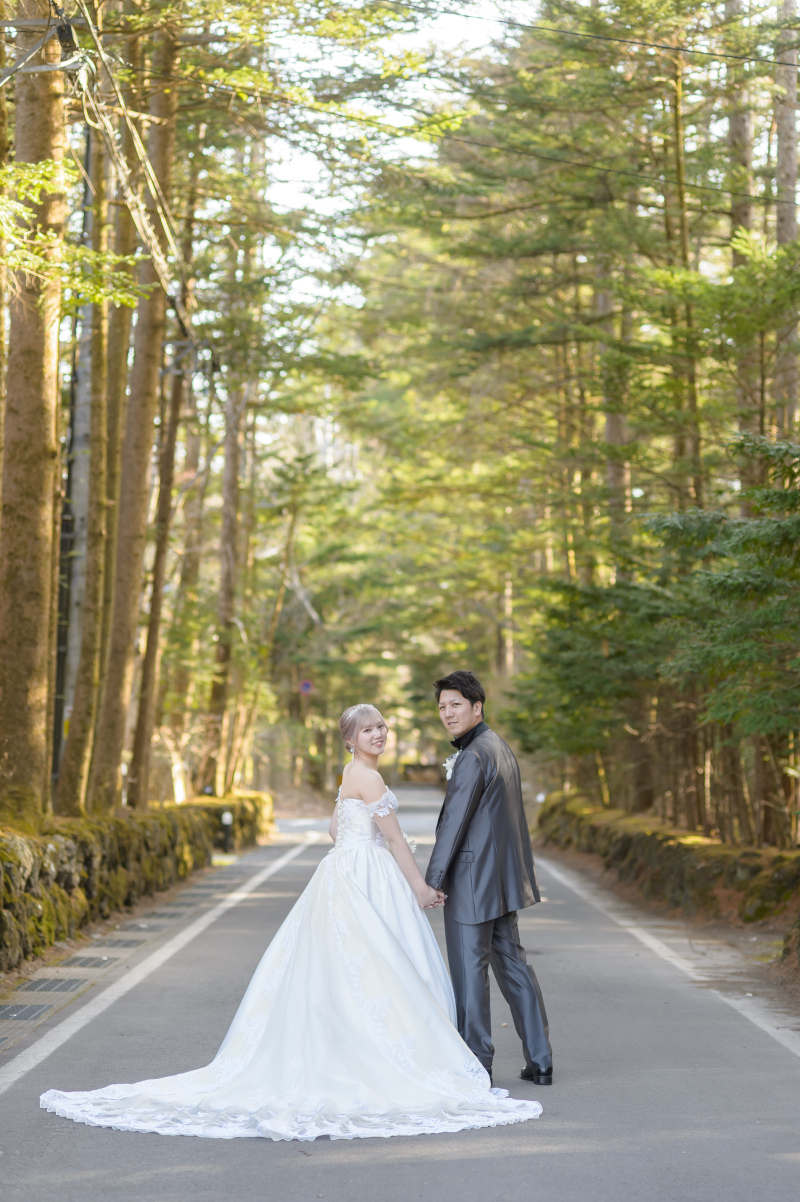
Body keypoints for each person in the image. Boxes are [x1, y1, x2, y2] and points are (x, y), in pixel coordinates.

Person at [41, 703, 542, 1141]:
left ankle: (345, 1048)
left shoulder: (348, 777)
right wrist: (420, 888)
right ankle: (381, 1055)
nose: (379, 735)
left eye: (383, 728)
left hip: (340, 876)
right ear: (350, 739)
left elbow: (333, 829)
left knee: (345, 969)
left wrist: (358, 844)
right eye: (369, 730)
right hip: (366, 878)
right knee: (382, 968)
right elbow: (391, 840)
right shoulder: (369, 779)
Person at [425, 671, 553, 1086]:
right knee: (515, 968)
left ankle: (476, 1064)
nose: (447, 713)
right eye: (443, 706)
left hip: (471, 881)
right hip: (501, 880)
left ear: (477, 707)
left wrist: (434, 881)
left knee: (469, 975)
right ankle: (541, 1059)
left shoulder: (473, 755)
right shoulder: (498, 746)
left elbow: (454, 825)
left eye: (455, 705)